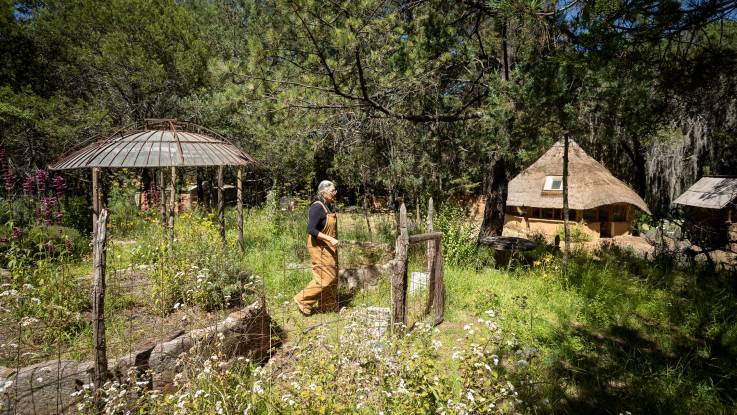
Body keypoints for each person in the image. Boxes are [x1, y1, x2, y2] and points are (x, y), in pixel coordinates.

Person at [294, 180, 340, 316]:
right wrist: (330, 239)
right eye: (333, 191)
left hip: (328, 247)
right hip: (319, 247)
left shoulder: (327, 206)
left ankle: (328, 305)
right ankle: (302, 299)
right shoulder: (317, 207)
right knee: (325, 278)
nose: (335, 193)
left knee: (333, 276)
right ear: (323, 192)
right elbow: (311, 230)